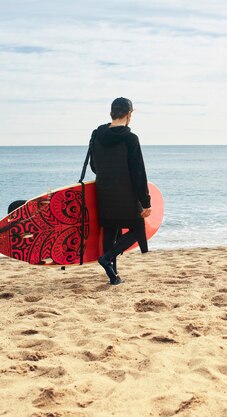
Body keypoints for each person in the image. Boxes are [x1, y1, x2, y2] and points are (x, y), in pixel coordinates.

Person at [89, 97, 152, 285]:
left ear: (111, 113)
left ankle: (113, 276)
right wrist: (146, 202)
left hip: (104, 191)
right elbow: (138, 172)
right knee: (137, 229)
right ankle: (106, 258)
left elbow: (94, 166)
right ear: (129, 114)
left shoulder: (96, 134)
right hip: (126, 194)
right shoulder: (130, 138)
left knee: (110, 230)